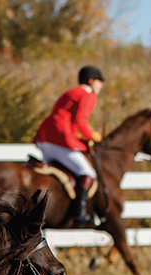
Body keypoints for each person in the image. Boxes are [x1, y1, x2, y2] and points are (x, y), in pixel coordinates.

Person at [34, 65, 105, 227]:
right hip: (60, 139)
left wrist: (79, 135)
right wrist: (93, 135)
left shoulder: (71, 92)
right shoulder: (88, 94)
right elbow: (81, 121)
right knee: (87, 172)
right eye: (99, 82)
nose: (100, 86)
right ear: (91, 81)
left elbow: (66, 117)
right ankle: (80, 214)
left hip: (44, 138)